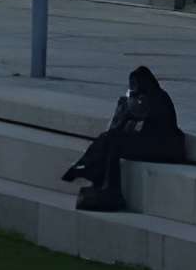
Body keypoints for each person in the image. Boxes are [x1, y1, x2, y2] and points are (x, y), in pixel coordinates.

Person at [62, 66, 184, 212]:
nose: (132, 91)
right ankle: (92, 174)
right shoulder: (144, 98)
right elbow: (117, 129)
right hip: (151, 142)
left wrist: (127, 110)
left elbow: (135, 125)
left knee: (113, 141)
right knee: (109, 139)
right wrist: (123, 112)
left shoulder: (155, 98)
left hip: (165, 148)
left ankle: (90, 172)